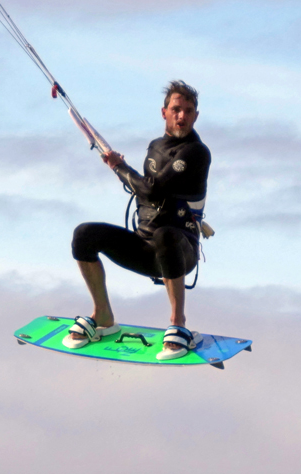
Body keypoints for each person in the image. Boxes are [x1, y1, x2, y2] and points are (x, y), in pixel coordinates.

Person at [64, 80, 210, 360]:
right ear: (163, 112)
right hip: (144, 248)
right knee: (84, 235)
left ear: (196, 116)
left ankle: (178, 323)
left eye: (189, 111)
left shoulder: (197, 152)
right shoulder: (154, 147)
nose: (182, 116)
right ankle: (103, 315)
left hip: (181, 250)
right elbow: (143, 188)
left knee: (165, 234)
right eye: (176, 109)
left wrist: (119, 167)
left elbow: (153, 192)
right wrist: (121, 168)